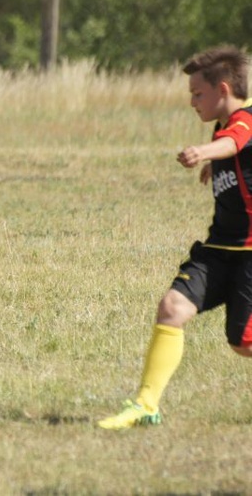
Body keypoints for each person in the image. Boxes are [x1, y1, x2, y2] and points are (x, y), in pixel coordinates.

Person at [98, 45, 252, 430]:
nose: (191, 102)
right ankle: (145, 405)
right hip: (218, 248)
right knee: (172, 308)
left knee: (243, 343)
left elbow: (235, 142)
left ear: (222, 89)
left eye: (197, 94)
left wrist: (203, 152)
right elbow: (231, 151)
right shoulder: (222, 127)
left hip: (250, 252)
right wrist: (213, 164)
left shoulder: (246, 119)